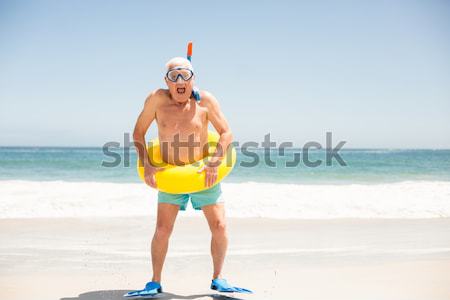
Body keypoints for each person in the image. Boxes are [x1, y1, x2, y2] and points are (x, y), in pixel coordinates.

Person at [128, 57, 252, 297]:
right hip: (170, 176)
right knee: (163, 229)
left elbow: (226, 133)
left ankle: (218, 278)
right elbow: (138, 132)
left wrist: (215, 163)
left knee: (220, 226)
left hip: (203, 175)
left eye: (185, 75)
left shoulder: (205, 101)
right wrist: (148, 164)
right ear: (166, 81)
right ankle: (154, 282)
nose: (179, 81)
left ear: (193, 79)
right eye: (174, 77)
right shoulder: (156, 100)